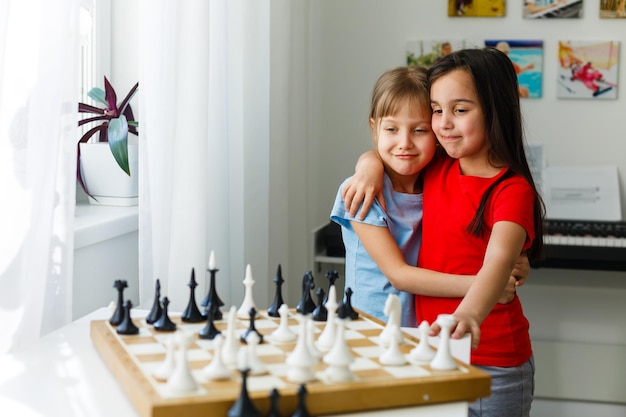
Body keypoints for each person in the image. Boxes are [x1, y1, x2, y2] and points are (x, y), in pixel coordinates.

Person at [343, 48, 544, 417]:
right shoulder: (438, 166)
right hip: (433, 350)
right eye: (436, 110)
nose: (443, 123)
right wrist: (368, 165)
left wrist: (468, 314)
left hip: (491, 359)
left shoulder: (512, 190)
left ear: (494, 110)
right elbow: (392, 148)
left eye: (460, 109)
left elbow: (499, 259)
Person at [330, 66, 529, 329]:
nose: (404, 143)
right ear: (374, 127)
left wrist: (513, 263)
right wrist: (486, 286)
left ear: (436, 132)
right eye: (391, 129)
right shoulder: (362, 192)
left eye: (419, 130)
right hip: (370, 327)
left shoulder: (438, 179)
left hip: (423, 329)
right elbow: (399, 275)